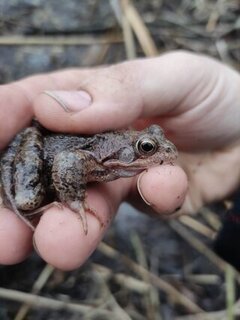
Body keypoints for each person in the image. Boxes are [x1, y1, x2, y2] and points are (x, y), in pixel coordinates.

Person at [0, 51, 239, 270]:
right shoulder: (92, 159)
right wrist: (74, 200)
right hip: (42, 152)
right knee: (28, 200)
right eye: (147, 148)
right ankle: (10, 197)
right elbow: (66, 162)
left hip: (51, 143)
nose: (162, 152)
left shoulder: (113, 157)